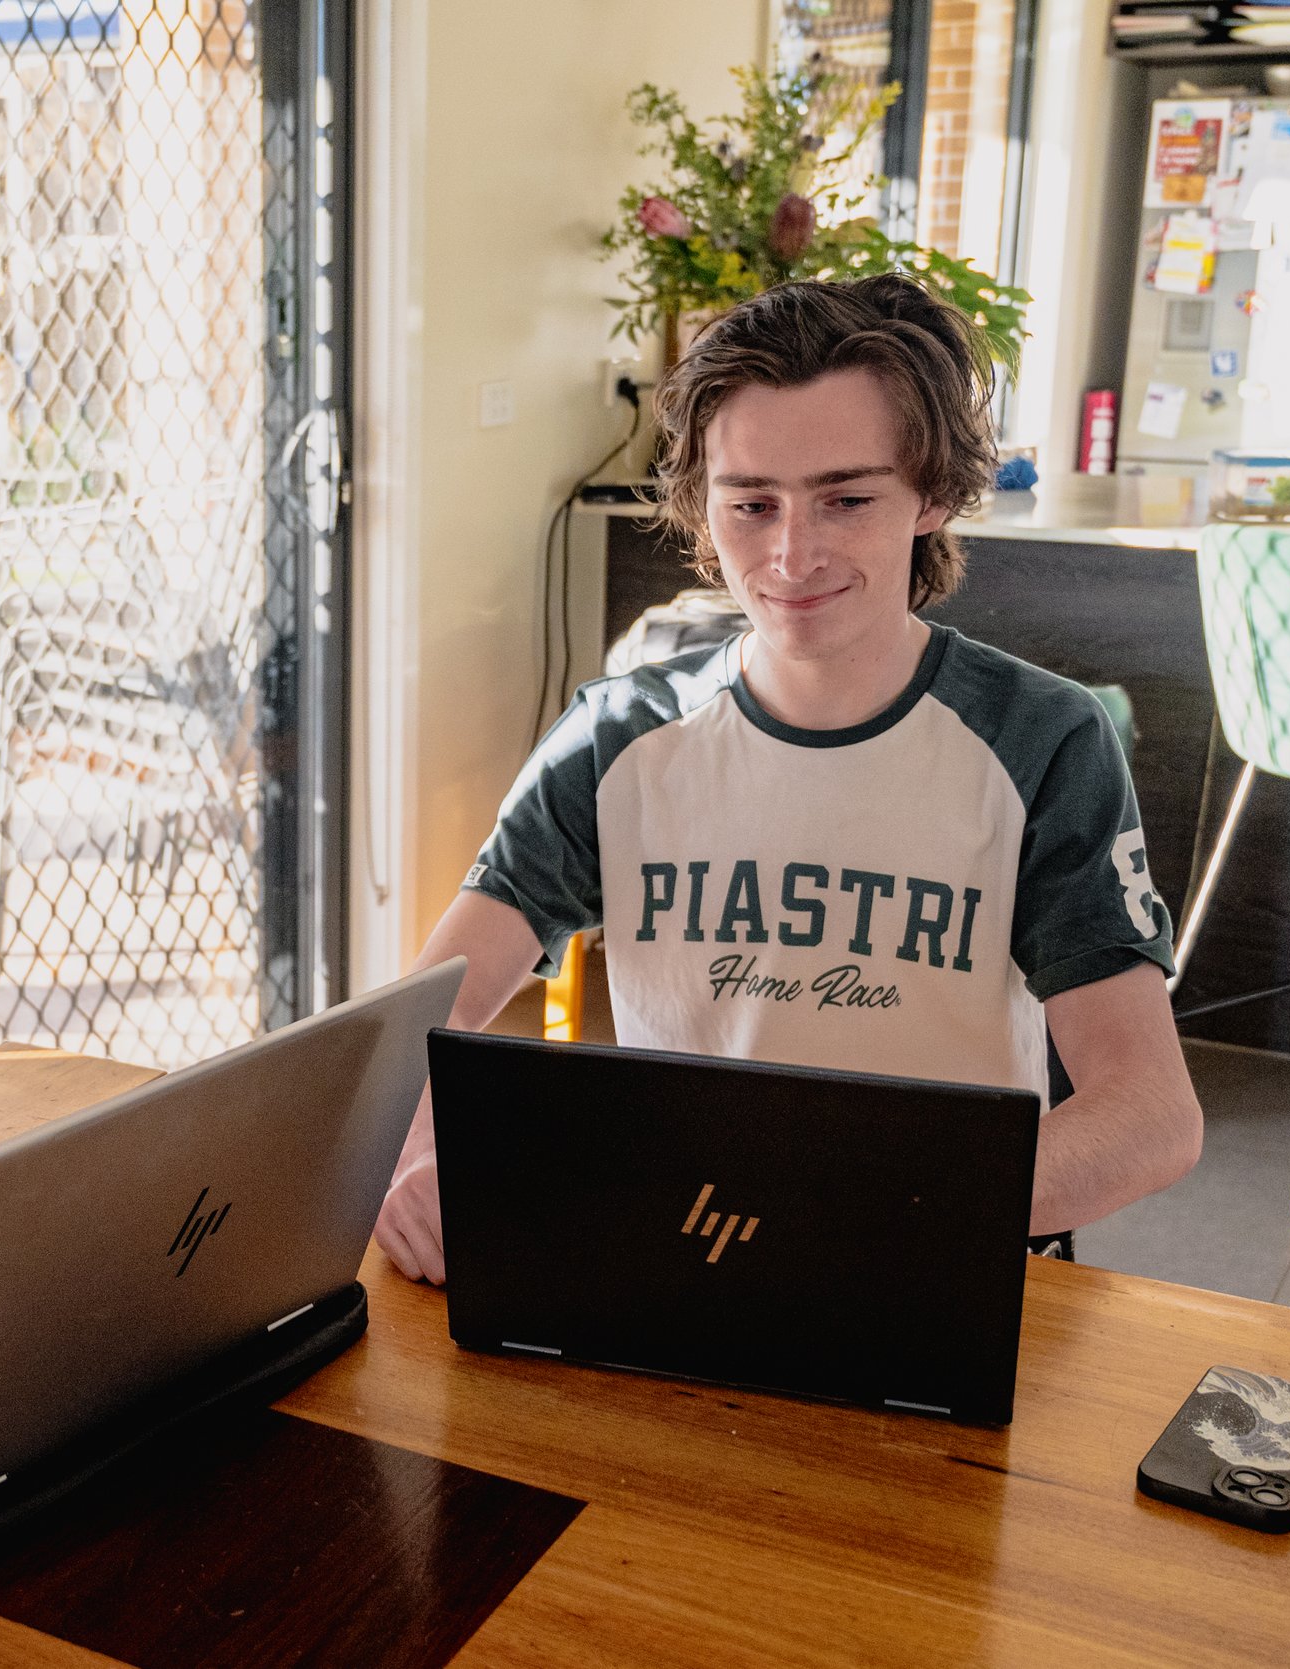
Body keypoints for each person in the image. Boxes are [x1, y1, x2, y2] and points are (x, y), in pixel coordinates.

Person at [375, 275, 1202, 1285]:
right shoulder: (615, 737)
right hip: (677, 1254)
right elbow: (435, 1010)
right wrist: (425, 1160)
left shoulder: (1042, 740)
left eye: (846, 500)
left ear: (932, 492)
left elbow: (1149, 1112)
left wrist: (856, 1206)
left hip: (931, 1258)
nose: (790, 553)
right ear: (698, 504)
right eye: (751, 504)